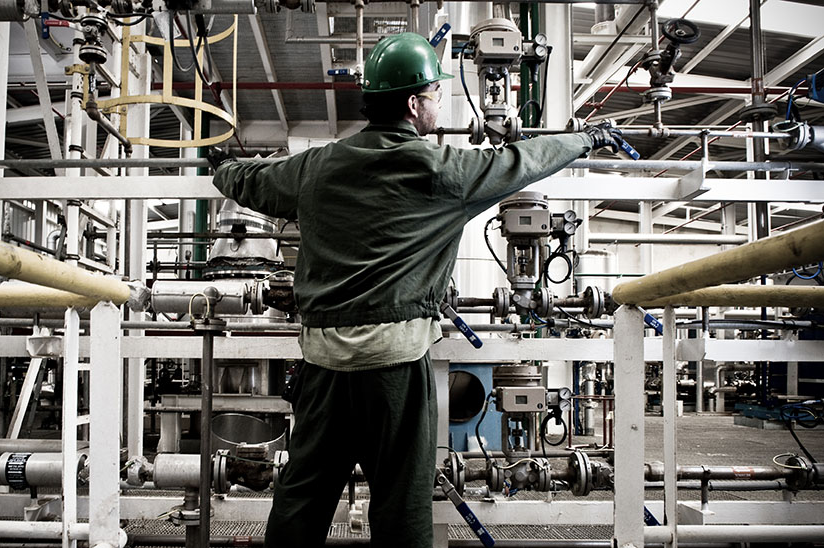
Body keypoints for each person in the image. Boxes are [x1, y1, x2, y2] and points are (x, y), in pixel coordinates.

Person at [206, 32, 621, 548]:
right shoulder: (445, 171)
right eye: (434, 94)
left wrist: (223, 167)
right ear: (412, 103)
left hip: (322, 375)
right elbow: (524, 161)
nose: (439, 103)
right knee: (402, 508)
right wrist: (586, 139)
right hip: (396, 376)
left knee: (301, 502)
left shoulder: (314, 167)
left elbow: (254, 183)